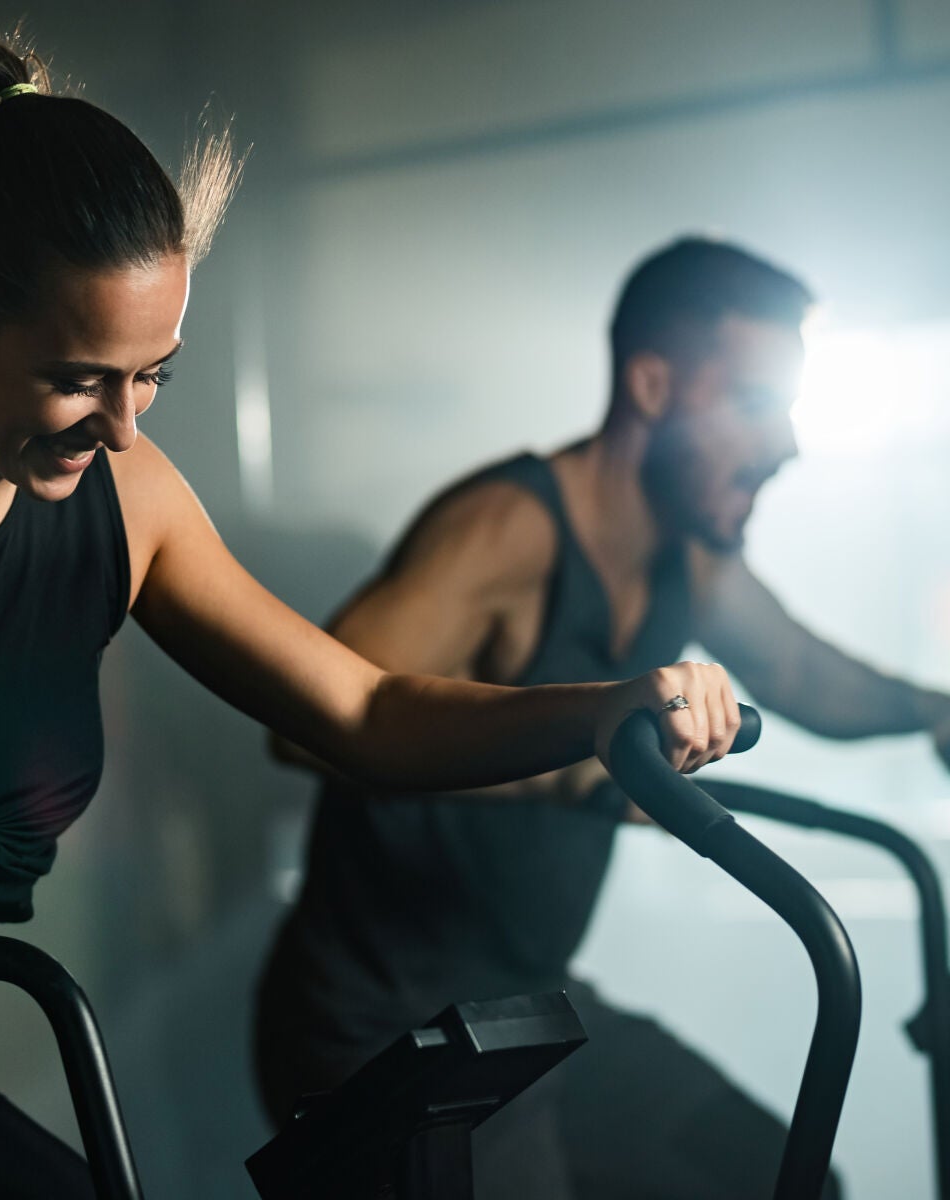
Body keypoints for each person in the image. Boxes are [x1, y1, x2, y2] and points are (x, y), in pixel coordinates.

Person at [0, 38, 740, 1199]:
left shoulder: (128, 501)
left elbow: (364, 709)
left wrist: (606, 710)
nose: (121, 427)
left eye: (152, 374)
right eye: (78, 378)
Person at [254, 237, 950, 1200]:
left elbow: (803, 672)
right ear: (653, 386)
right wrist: (584, 761)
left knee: (786, 1185)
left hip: (524, 1003)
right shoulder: (510, 528)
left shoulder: (691, 548)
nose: (784, 443)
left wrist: (937, 712)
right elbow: (307, 721)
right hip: (382, 1024)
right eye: (754, 404)